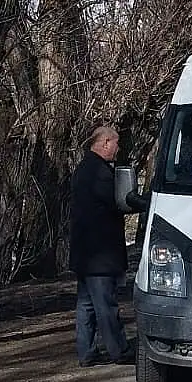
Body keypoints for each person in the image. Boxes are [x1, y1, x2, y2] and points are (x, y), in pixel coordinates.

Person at [69, 124, 138, 366]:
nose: (118, 148)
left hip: (85, 254)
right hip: (99, 254)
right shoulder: (99, 172)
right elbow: (119, 201)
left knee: (86, 305)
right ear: (105, 142)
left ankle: (86, 352)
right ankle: (118, 350)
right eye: (116, 143)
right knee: (105, 305)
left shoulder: (84, 169)